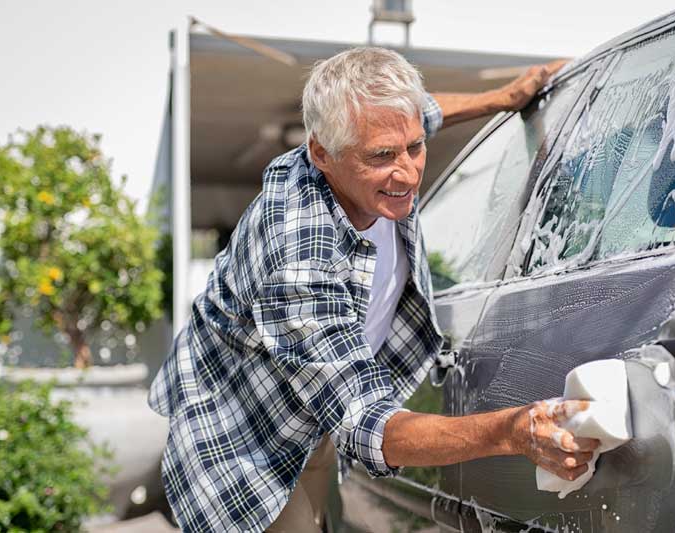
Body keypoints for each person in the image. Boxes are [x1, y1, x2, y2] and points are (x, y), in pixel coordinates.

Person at [148, 46, 598, 533]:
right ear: (321, 153)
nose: (406, 173)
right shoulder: (299, 257)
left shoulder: (375, 137)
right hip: (241, 438)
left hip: (311, 414)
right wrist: (514, 430)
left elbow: (423, 113)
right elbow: (368, 423)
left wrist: (502, 97)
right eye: (382, 156)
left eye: (415, 147)